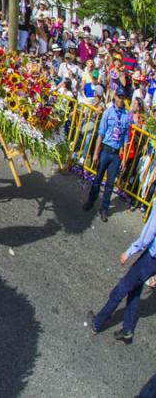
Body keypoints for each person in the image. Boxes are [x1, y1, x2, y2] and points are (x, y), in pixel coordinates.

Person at [88, 204, 156, 344]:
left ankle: (98, 322)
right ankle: (127, 330)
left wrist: (129, 251)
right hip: (152, 262)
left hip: (150, 258)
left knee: (122, 288)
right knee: (135, 290)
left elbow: (147, 236)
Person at [83, 87, 132, 222]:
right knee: (98, 178)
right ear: (115, 97)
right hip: (105, 149)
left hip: (116, 154)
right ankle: (91, 201)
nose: (121, 100)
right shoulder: (108, 113)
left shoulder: (126, 117)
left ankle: (104, 209)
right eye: (119, 97)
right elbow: (101, 134)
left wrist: (124, 158)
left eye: (123, 98)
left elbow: (126, 140)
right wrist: (96, 153)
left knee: (110, 184)